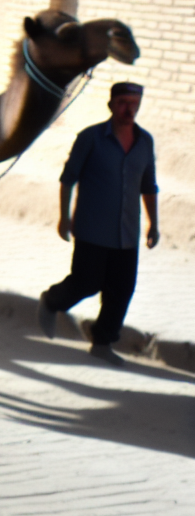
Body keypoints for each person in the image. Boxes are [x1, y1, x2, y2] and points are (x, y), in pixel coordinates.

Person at [38, 82, 160, 365]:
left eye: (134, 103)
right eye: (122, 103)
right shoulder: (91, 138)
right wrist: (64, 216)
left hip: (126, 232)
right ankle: (52, 301)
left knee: (122, 288)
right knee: (86, 282)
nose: (129, 109)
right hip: (92, 228)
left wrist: (154, 224)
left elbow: (148, 185)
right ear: (111, 105)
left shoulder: (145, 142)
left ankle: (102, 341)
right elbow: (68, 178)